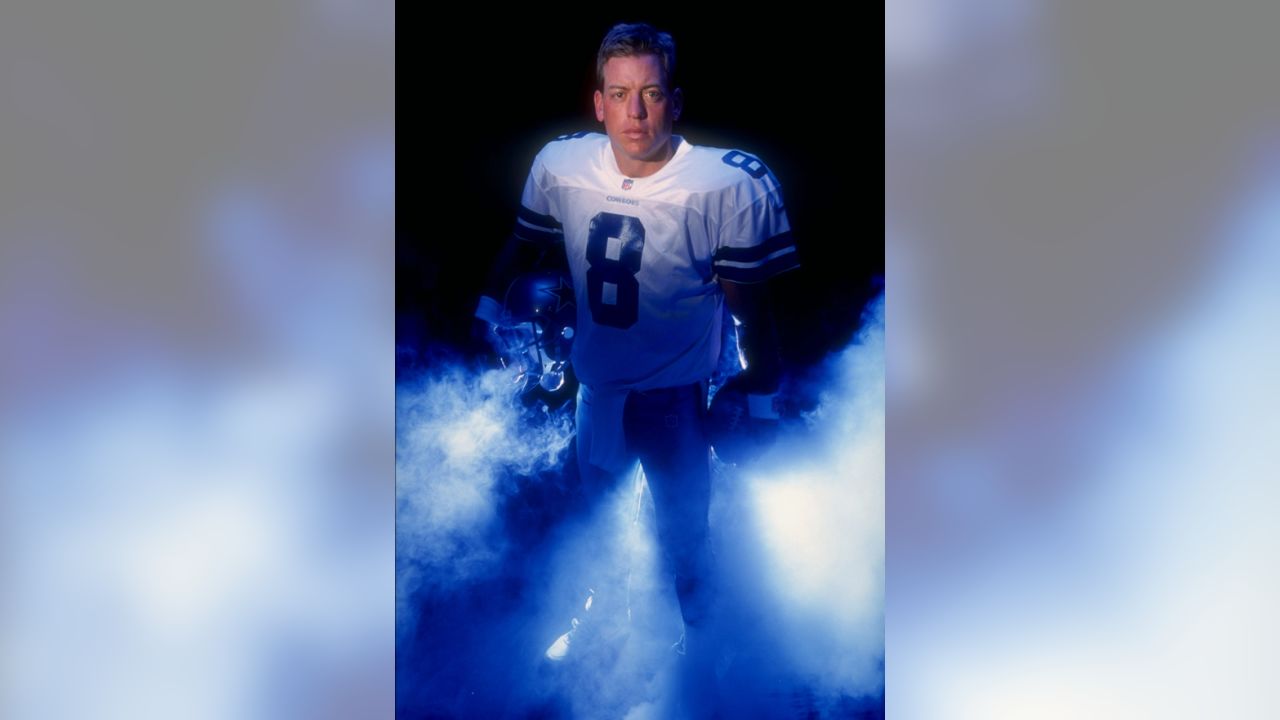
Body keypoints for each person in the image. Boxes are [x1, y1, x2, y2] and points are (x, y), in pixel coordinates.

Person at [474, 21, 798, 672]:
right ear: (598, 102)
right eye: (619, 94)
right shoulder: (562, 165)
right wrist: (486, 307)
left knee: (685, 543)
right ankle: (601, 629)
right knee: (596, 523)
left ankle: (708, 662)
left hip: (675, 397)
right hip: (596, 391)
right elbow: (524, 242)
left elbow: (752, 306)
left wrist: (762, 395)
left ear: (675, 101)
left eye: (651, 93)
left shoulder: (721, 182)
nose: (635, 111)